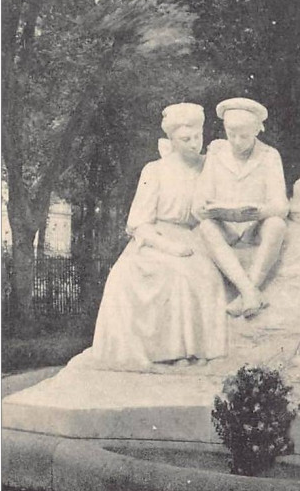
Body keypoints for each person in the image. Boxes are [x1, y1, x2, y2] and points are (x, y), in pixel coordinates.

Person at [81, 103, 227, 371]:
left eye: (198, 137)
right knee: (128, 275)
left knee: (194, 276)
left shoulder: (210, 167)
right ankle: (155, 353)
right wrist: (168, 246)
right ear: (172, 140)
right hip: (156, 237)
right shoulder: (155, 170)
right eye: (186, 139)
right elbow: (139, 222)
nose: (194, 144)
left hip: (195, 235)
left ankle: (190, 352)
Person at [193, 97, 289, 318]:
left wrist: (259, 212)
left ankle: (248, 290)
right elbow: (198, 204)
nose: (237, 141)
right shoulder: (216, 154)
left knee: (276, 225)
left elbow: (280, 206)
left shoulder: (269, 155)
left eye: (244, 136)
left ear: (257, 130)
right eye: (231, 134)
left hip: (255, 226)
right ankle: (249, 292)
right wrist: (211, 210)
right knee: (207, 227)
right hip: (225, 227)